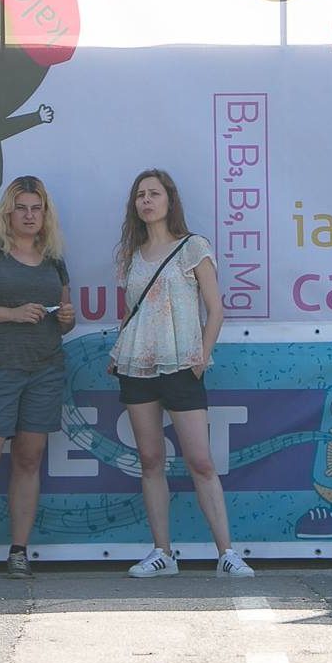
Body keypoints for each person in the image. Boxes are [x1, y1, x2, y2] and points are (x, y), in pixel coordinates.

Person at [109, 168, 254, 579]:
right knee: (150, 460)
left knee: (200, 461)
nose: (146, 201)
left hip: (181, 366)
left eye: (154, 193)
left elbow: (216, 308)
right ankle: (163, 553)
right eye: (140, 195)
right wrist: (120, 350)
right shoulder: (132, 256)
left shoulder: (193, 247)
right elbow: (131, 313)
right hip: (136, 367)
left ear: (170, 200)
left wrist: (201, 357)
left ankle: (227, 553)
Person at [0, 175, 75, 580]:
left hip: (43, 371)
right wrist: (11, 314)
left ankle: (18, 551)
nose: (29, 216)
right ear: (8, 212)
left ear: (45, 214)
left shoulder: (54, 258)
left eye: (36, 208)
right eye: (22, 208)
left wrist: (67, 318)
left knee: (29, 460)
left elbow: (65, 318)